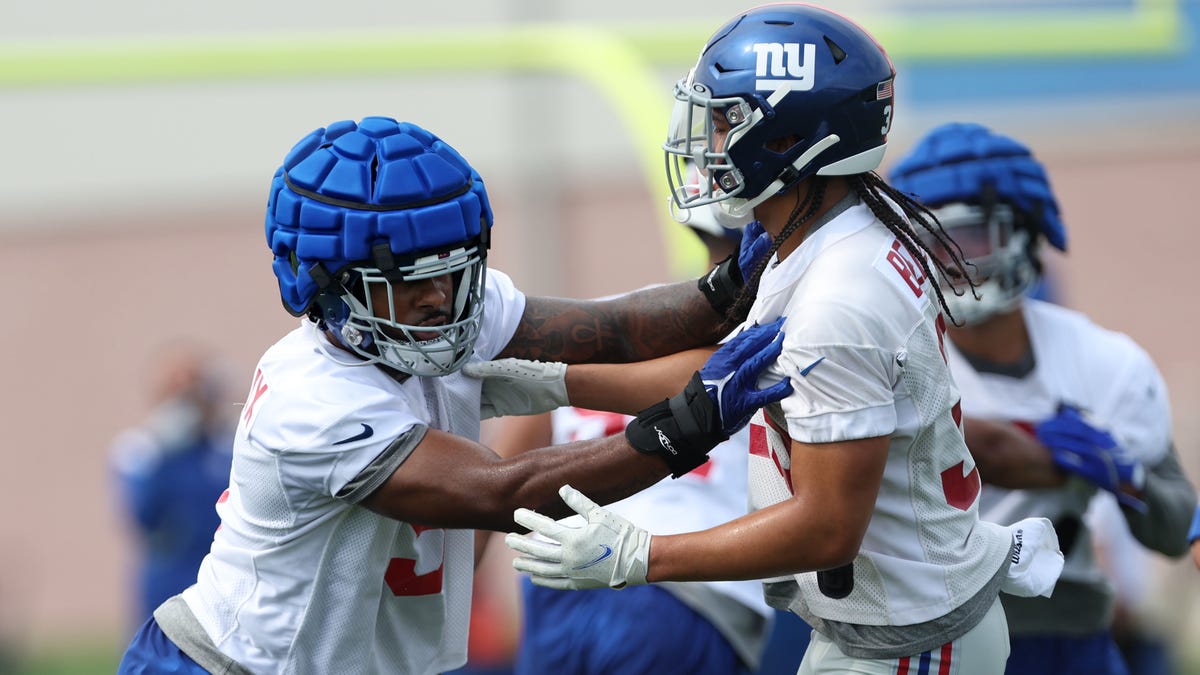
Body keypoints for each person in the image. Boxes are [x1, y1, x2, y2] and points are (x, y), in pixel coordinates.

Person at [492, 5, 1066, 674]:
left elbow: (826, 525)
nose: (704, 138)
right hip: (883, 624)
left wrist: (643, 555)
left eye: (725, 118)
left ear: (789, 138)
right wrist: (562, 382)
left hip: (908, 640)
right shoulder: (817, 238)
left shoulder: (839, 297)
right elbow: (737, 376)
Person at [115, 116, 793, 674]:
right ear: (328, 283)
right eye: (410, 278)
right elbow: (505, 492)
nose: (440, 297)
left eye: (454, 267)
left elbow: (612, 330)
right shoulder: (315, 399)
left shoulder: (445, 317)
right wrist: (689, 424)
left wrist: (734, 283)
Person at [886, 121, 1197, 675]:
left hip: (1067, 630)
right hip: (923, 631)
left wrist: (1128, 478)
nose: (952, 260)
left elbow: (1175, 530)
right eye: (933, 241)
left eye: (971, 237)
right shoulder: (887, 355)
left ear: (1026, 232)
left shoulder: (1105, 363)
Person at [485, 208, 783, 675]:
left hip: (559, 578)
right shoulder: (785, 331)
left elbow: (496, 482)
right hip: (681, 584)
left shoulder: (610, 315)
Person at [110, 343, 235, 625]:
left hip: (221, 577)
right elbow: (142, 517)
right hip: (168, 578)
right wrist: (161, 453)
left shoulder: (228, 448)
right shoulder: (139, 450)